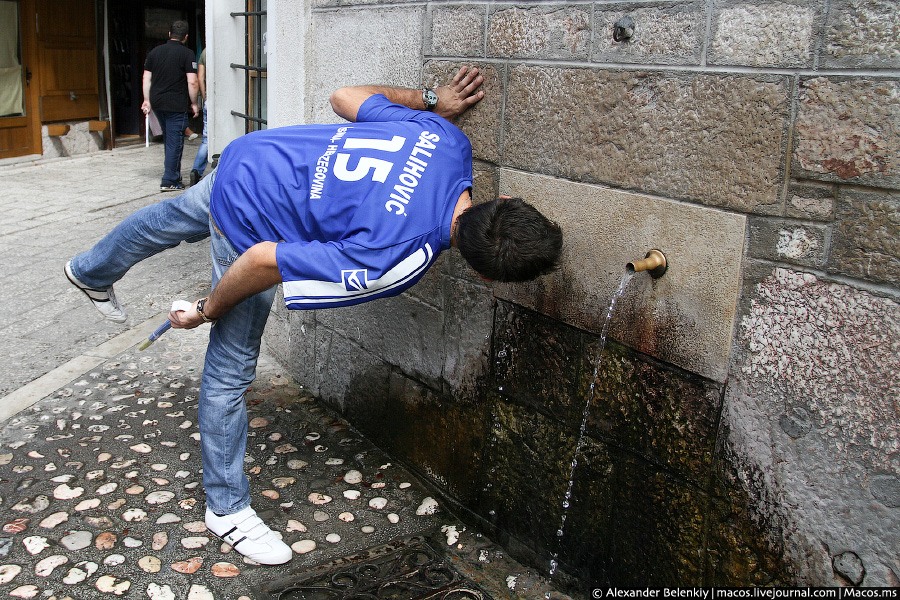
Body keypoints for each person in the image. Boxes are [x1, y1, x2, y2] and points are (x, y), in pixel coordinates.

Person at [64, 66, 562, 565]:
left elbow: (345, 96)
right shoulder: (396, 258)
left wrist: (430, 100)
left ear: (507, 200)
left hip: (254, 157)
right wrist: (204, 309)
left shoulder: (447, 139)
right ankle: (226, 507)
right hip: (255, 220)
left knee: (182, 213)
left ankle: (89, 271)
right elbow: (261, 260)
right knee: (231, 368)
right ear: (485, 278)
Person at [142, 20, 200, 192]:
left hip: (158, 102)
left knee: (169, 139)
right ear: (186, 37)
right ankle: (170, 180)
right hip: (176, 104)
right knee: (175, 142)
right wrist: (195, 103)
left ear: (169, 34)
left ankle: (173, 175)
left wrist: (147, 100)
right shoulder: (187, 54)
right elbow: (193, 82)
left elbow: (146, 78)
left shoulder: (154, 52)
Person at [190, 48, 208, 186]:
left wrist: (204, 96)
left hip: (209, 100)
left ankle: (196, 170)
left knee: (206, 139)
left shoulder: (204, 52)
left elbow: (200, 77)